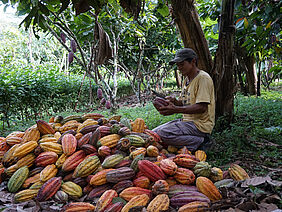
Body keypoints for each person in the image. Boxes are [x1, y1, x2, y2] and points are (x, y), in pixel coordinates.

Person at [153, 48, 215, 152]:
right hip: (187, 121)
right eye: (177, 65)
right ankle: (188, 142)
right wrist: (174, 101)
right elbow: (184, 102)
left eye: (182, 64)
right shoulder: (186, 79)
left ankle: (200, 141)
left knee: (163, 133)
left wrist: (175, 109)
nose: (179, 68)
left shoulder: (203, 79)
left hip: (200, 125)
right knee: (154, 133)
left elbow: (202, 107)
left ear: (193, 61)